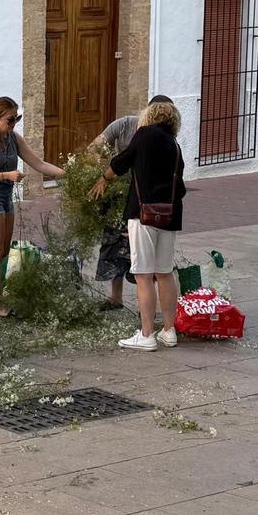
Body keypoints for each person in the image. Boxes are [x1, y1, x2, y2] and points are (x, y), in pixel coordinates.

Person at [89, 99, 186, 351]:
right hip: (170, 216)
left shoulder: (143, 135)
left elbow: (122, 162)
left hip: (143, 214)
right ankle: (169, 330)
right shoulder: (174, 145)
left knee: (143, 275)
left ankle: (146, 335)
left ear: (149, 115)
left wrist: (103, 178)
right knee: (163, 273)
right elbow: (181, 185)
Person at [0, 97, 65, 317]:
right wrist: (6, 175)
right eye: (10, 120)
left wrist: (66, 174)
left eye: (16, 119)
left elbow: (38, 163)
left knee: (1, 249)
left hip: (5, 195)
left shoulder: (14, 138)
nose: (13, 124)